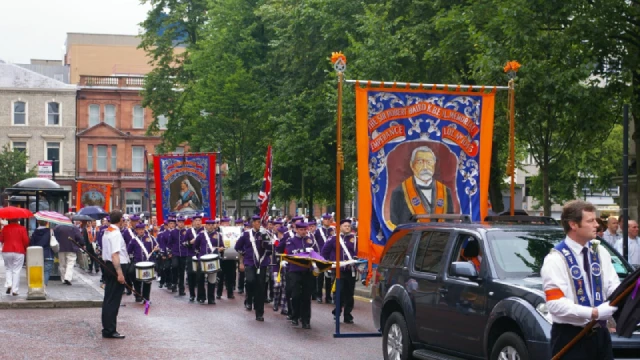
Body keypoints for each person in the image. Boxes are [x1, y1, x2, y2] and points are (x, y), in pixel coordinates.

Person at [541, 200, 620, 359]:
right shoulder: (555, 259)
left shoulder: (600, 251)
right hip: (570, 335)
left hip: (600, 335)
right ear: (573, 225)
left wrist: (618, 300)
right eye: (590, 221)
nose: (596, 225)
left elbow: (613, 286)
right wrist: (594, 313)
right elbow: (555, 304)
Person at [390, 146, 455, 225]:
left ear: (434, 164)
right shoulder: (399, 192)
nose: (425, 167)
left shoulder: (445, 191)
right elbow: (395, 221)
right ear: (412, 165)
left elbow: (450, 221)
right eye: (420, 162)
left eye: (429, 162)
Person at [235, 215, 271, 321]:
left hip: (262, 263)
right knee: (250, 281)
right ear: (252, 223)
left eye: (259, 222)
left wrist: (267, 243)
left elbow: (272, 247)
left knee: (260, 287)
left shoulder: (266, 233)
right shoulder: (246, 234)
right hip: (250, 262)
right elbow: (237, 247)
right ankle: (248, 299)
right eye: (256, 222)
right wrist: (244, 254)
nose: (258, 224)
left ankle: (259, 312)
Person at [322, 219, 357, 324]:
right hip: (338, 270)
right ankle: (337, 312)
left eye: (349, 226)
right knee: (339, 292)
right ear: (340, 227)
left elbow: (358, 253)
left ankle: (348, 315)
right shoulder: (333, 239)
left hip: (350, 270)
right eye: (345, 226)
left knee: (349, 294)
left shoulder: (355, 239)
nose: (347, 227)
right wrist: (328, 265)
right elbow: (325, 252)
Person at [280, 222, 315, 329]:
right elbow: (292, 253)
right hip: (294, 271)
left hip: (307, 271)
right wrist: (305, 251)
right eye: (301, 230)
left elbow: (315, 252)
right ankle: (295, 316)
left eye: (305, 229)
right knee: (295, 296)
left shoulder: (309, 240)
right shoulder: (291, 240)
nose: (303, 232)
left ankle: (306, 320)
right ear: (296, 230)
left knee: (306, 297)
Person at [101, 210, 129, 339]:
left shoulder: (107, 231)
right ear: (120, 220)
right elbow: (115, 254)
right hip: (115, 266)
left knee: (108, 298)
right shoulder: (116, 233)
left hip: (107, 265)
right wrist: (120, 273)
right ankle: (110, 329)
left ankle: (107, 327)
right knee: (113, 300)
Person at [193, 219, 224, 304]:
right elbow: (195, 247)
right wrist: (199, 256)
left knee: (212, 279)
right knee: (200, 278)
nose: (210, 226)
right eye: (208, 225)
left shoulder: (218, 235)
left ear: (214, 225)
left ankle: (211, 298)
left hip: (213, 260)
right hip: (202, 259)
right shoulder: (201, 235)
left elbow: (222, 246)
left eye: (212, 224)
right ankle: (201, 297)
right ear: (206, 225)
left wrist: (221, 248)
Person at [127, 223, 159, 303]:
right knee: (131, 273)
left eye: (142, 229)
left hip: (148, 262)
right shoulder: (133, 240)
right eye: (139, 230)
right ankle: (138, 294)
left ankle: (146, 298)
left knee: (147, 280)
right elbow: (128, 251)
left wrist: (156, 249)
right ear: (136, 231)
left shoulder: (150, 238)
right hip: (137, 262)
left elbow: (157, 247)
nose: (141, 231)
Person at [1, 219, 29, 296]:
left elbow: (1, 239)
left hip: (6, 250)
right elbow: (26, 241)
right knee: (16, 270)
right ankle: (15, 290)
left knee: (8, 268)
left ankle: (9, 283)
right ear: (18, 220)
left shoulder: (5, 228)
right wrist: (26, 247)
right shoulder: (22, 228)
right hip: (19, 251)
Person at [54, 221, 85, 286]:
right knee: (70, 263)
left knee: (62, 264)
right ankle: (67, 278)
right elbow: (79, 237)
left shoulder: (57, 227)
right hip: (71, 248)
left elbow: (54, 237)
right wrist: (82, 244)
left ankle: (63, 279)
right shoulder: (74, 227)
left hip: (61, 248)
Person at [29, 220, 55, 292]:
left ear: (38, 222)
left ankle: (37, 287)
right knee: (46, 271)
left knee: (37, 271)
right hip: (48, 254)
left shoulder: (34, 232)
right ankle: (44, 286)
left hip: (37, 254)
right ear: (47, 223)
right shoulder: (50, 231)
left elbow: (31, 244)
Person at [168, 216, 190, 296]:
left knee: (182, 271)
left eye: (182, 222)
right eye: (180, 222)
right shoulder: (173, 232)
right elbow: (169, 243)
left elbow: (189, 241)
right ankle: (174, 282)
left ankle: (181, 289)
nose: (181, 224)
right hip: (175, 253)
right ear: (177, 223)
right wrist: (169, 252)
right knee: (174, 266)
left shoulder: (187, 231)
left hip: (183, 253)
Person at [315, 213, 335, 303]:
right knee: (320, 278)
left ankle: (328, 297)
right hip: (320, 257)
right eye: (325, 219)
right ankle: (319, 295)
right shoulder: (318, 231)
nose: (327, 221)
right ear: (323, 220)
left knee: (329, 278)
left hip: (330, 258)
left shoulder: (333, 230)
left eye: (329, 219)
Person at [217, 217, 236, 299]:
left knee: (231, 276)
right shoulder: (217, 233)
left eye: (227, 223)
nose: (226, 224)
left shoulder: (233, 232)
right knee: (220, 276)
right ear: (221, 224)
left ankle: (230, 293)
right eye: (224, 223)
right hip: (221, 256)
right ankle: (219, 293)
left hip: (231, 256)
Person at [157, 217, 176, 290]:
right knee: (167, 268)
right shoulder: (164, 234)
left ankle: (174, 283)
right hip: (166, 254)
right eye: (170, 223)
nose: (172, 225)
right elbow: (162, 245)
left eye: (173, 223)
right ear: (168, 225)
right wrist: (163, 254)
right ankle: (168, 282)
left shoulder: (176, 232)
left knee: (174, 268)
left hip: (175, 253)